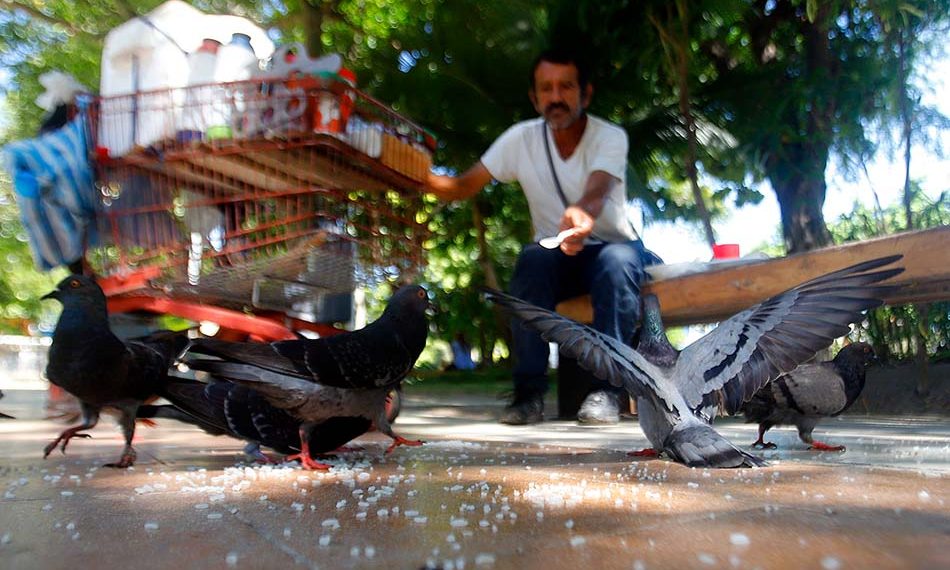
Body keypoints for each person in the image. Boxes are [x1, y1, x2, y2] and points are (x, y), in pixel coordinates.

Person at [426, 48, 650, 425]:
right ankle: (528, 395)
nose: (556, 97)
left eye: (566, 86)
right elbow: (462, 185)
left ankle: (609, 391)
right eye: (546, 89)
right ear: (534, 98)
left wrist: (583, 214)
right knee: (532, 258)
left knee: (616, 262)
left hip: (613, 250)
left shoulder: (610, 136)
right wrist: (414, 174)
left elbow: (598, 190)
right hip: (557, 256)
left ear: (586, 94)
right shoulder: (521, 139)